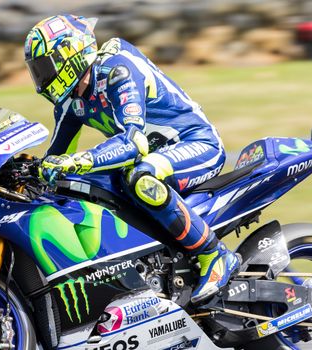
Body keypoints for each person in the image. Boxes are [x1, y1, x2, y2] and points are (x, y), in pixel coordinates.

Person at [24, 14, 240, 304]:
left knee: (140, 177)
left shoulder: (117, 70)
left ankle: (215, 255)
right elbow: (55, 158)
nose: (40, 77)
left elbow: (134, 142)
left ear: (69, 54)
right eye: (35, 70)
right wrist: (27, 170)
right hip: (155, 156)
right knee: (73, 185)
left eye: (43, 67)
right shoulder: (70, 102)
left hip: (196, 144)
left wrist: (80, 160)